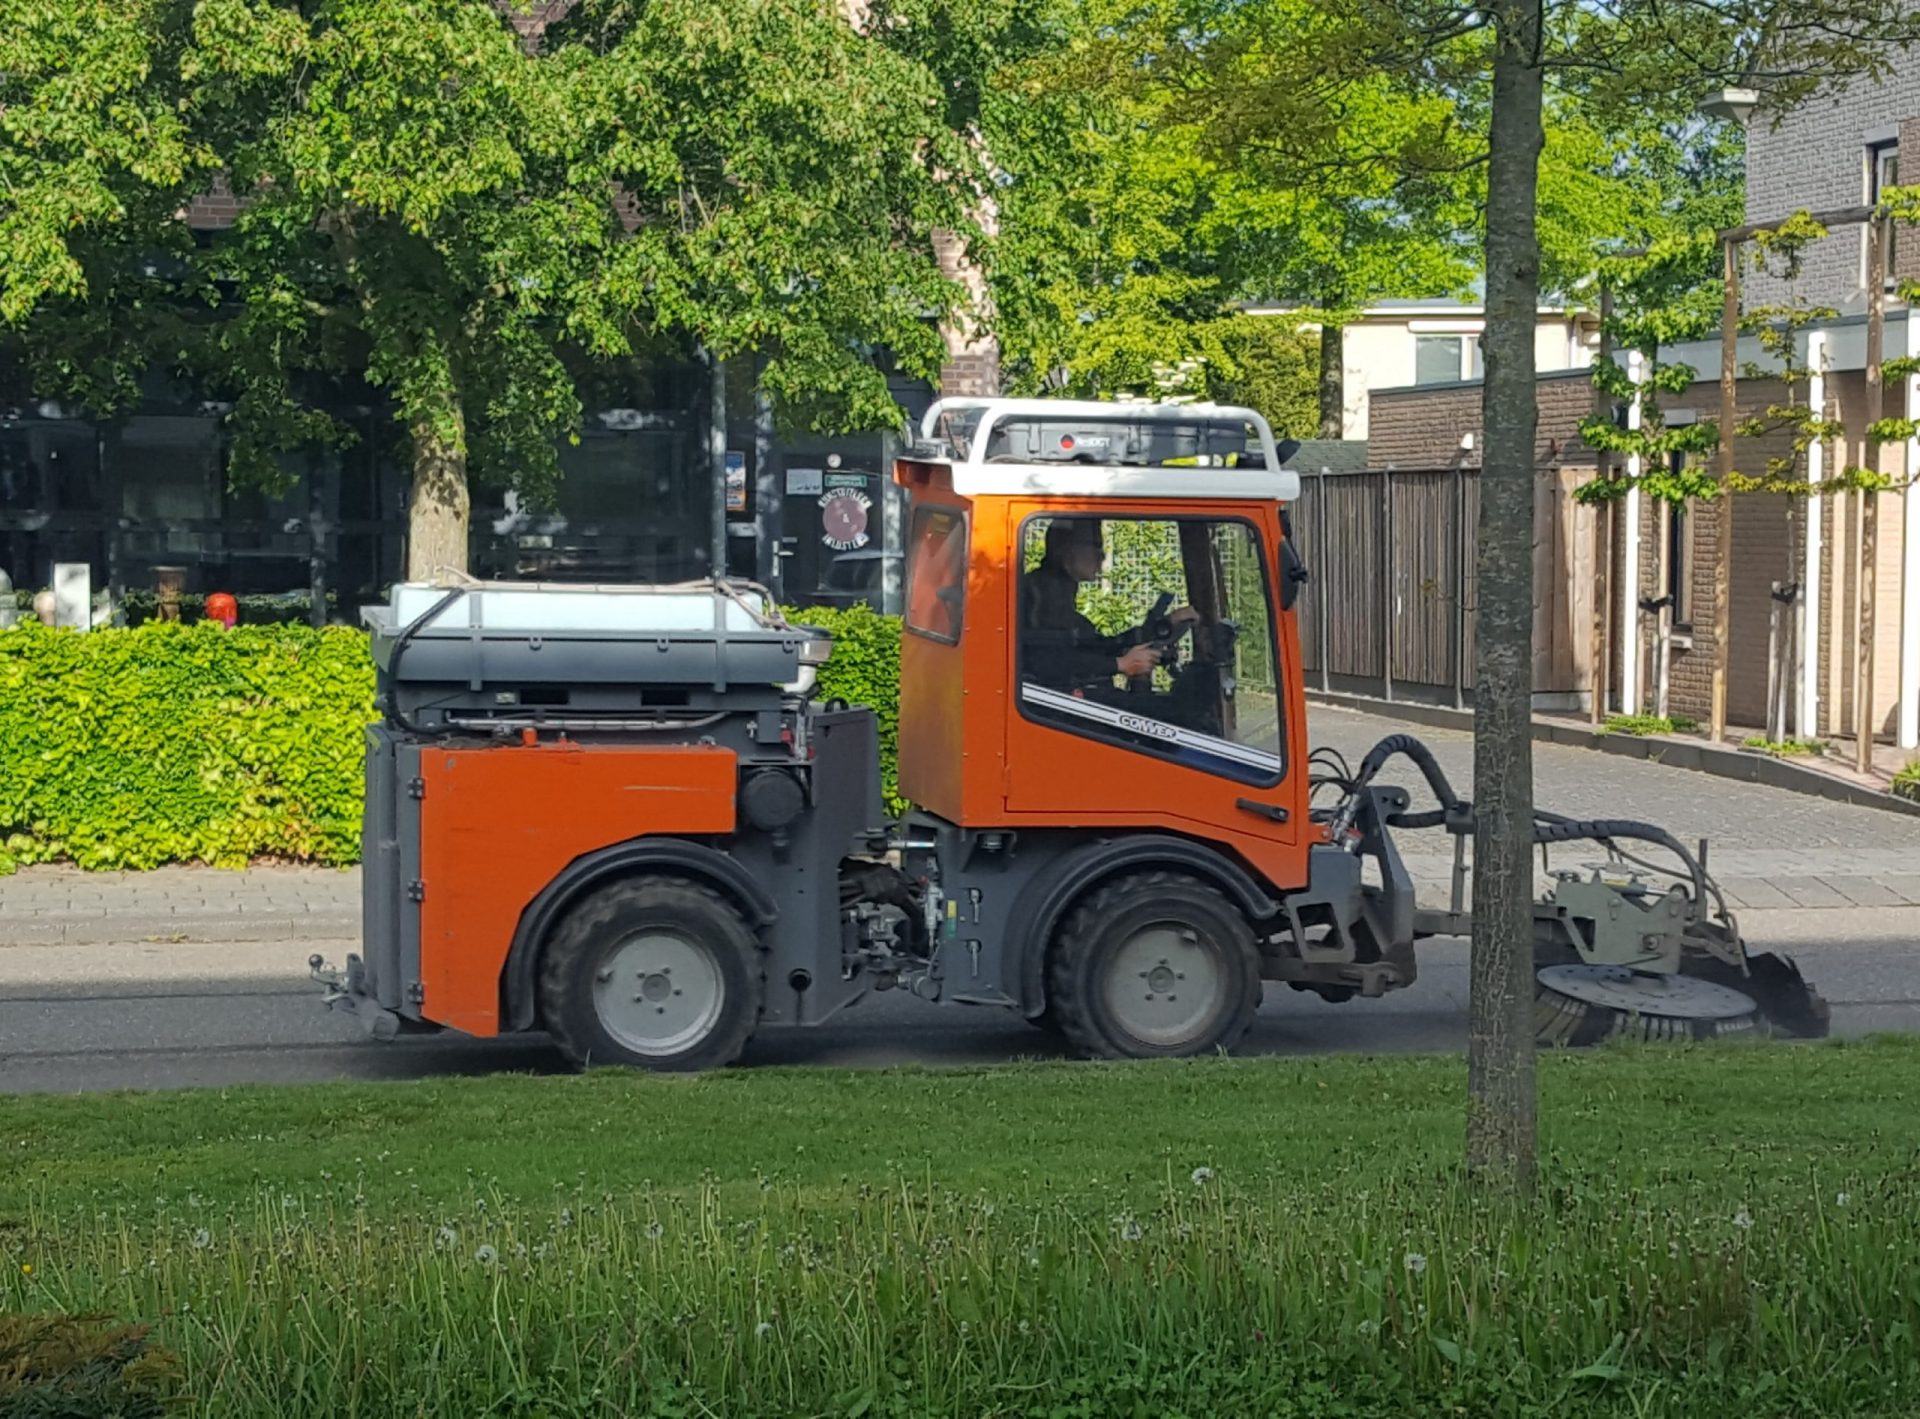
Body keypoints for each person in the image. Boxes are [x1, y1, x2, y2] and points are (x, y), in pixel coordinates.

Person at [1020, 518, 1198, 697]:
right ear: (1066, 547)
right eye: (1096, 546)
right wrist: (1120, 664)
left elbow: (1099, 646)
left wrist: (1164, 625)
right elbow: (1045, 659)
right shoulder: (1040, 595)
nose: (1103, 556)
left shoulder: (1055, 593)